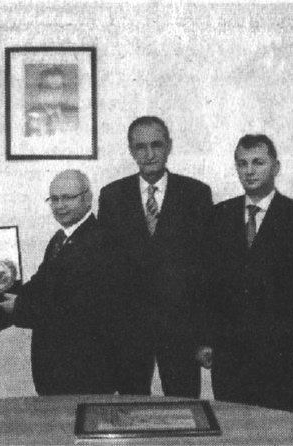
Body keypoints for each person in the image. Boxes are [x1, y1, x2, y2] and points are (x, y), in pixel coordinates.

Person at [98, 116, 213, 398]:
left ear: (169, 146)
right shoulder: (112, 196)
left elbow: (206, 270)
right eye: (140, 147)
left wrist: (203, 335)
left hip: (181, 328)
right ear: (130, 150)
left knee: (184, 407)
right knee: (131, 408)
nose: (149, 154)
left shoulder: (196, 194)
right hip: (130, 330)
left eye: (156, 145)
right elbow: (106, 270)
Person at [195, 134, 293, 413]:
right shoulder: (218, 215)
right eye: (242, 163)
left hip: (280, 355)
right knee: (234, 426)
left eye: (258, 162)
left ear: (276, 167)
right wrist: (204, 339)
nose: (249, 171)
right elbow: (206, 285)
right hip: (229, 355)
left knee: (278, 428)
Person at [0, 170, 126, 395]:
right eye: (54, 199)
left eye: (68, 198)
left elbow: (77, 309)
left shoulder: (102, 242)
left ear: (88, 199)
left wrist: (18, 307)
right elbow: (39, 284)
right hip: (55, 369)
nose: (60, 206)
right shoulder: (60, 238)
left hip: (86, 371)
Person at [25, 66, 79, 137]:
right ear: (40, 88)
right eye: (48, 87)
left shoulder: (76, 113)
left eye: (58, 88)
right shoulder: (28, 116)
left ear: (63, 89)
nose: (53, 92)